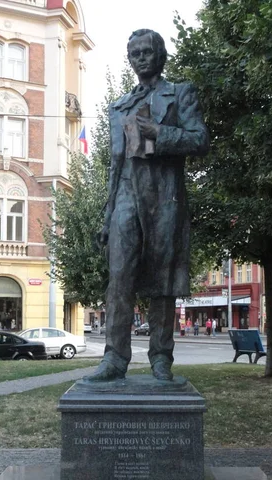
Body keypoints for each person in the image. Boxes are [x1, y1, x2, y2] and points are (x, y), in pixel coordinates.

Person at [86, 28, 209, 382]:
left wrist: (158, 133)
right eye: (134, 53)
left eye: (147, 51)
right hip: (126, 192)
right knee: (119, 275)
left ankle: (160, 357)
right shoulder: (119, 106)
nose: (141, 57)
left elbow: (200, 140)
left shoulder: (180, 93)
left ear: (161, 55)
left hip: (164, 195)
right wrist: (108, 215)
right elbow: (115, 163)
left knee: (162, 279)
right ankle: (114, 358)